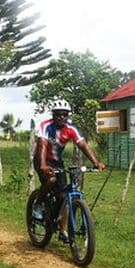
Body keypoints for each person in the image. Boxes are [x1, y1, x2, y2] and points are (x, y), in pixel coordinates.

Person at [32, 99, 105, 241]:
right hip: (42, 160)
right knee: (51, 180)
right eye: (58, 114)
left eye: (64, 115)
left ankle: (61, 227)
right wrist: (42, 166)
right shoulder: (46, 126)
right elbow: (42, 146)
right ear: (53, 115)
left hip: (56, 161)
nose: (61, 117)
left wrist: (96, 162)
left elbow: (83, 145)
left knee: (64, 195)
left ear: (68, 116)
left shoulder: (71, 128)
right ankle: (38, 204)